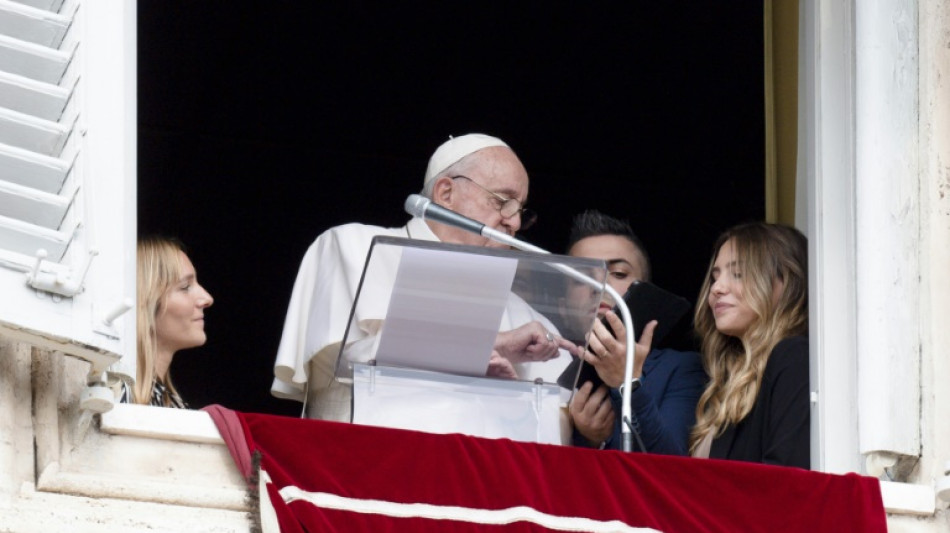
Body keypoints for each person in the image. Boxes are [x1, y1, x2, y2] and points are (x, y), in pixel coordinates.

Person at [272, 133, 570, 423]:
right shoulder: (355, 246)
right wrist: (494, 345)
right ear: (446, 193)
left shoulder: (524, 314)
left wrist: (582, 422)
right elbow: (349, 361)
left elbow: (556, 416)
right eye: (502, 200)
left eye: (520, 210)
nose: (514, 222)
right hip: (365, 453)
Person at [563, 210, 707, 454]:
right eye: (581, 277)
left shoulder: (681, 369)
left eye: (618, 274)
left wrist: (627, 383)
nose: (600, 285)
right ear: (562, 305)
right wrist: (588, 440)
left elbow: (671, 465)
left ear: (646, 293)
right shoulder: (544, 366)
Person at [689, 222, 809, 468]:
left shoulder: (794, 357)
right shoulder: (729, 379)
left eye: (738, 274)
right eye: (715, 277)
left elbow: (784, 476)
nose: (716, 288)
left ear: (785, 283)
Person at [117, 236, 214, 408]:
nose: (207, 298)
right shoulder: (111, 398)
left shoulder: (174, 405)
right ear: (145, 303)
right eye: (185, 287)